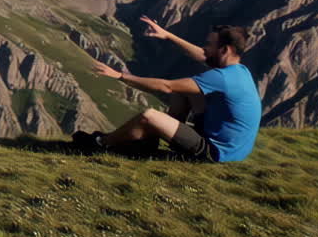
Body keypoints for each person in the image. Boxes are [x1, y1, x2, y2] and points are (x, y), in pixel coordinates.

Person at [73, 19, 261, 162]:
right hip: (231, 146)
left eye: (210, 44)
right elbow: (203, 55)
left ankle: (100, 144)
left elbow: (166, 86)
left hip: (216, 152)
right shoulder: (238, 71)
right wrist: (168, 35)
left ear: (224, 50)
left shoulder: (223, 78)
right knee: (186, 91)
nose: (205, 48)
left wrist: (120, 76)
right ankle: (155, 140)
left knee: (149, 116)